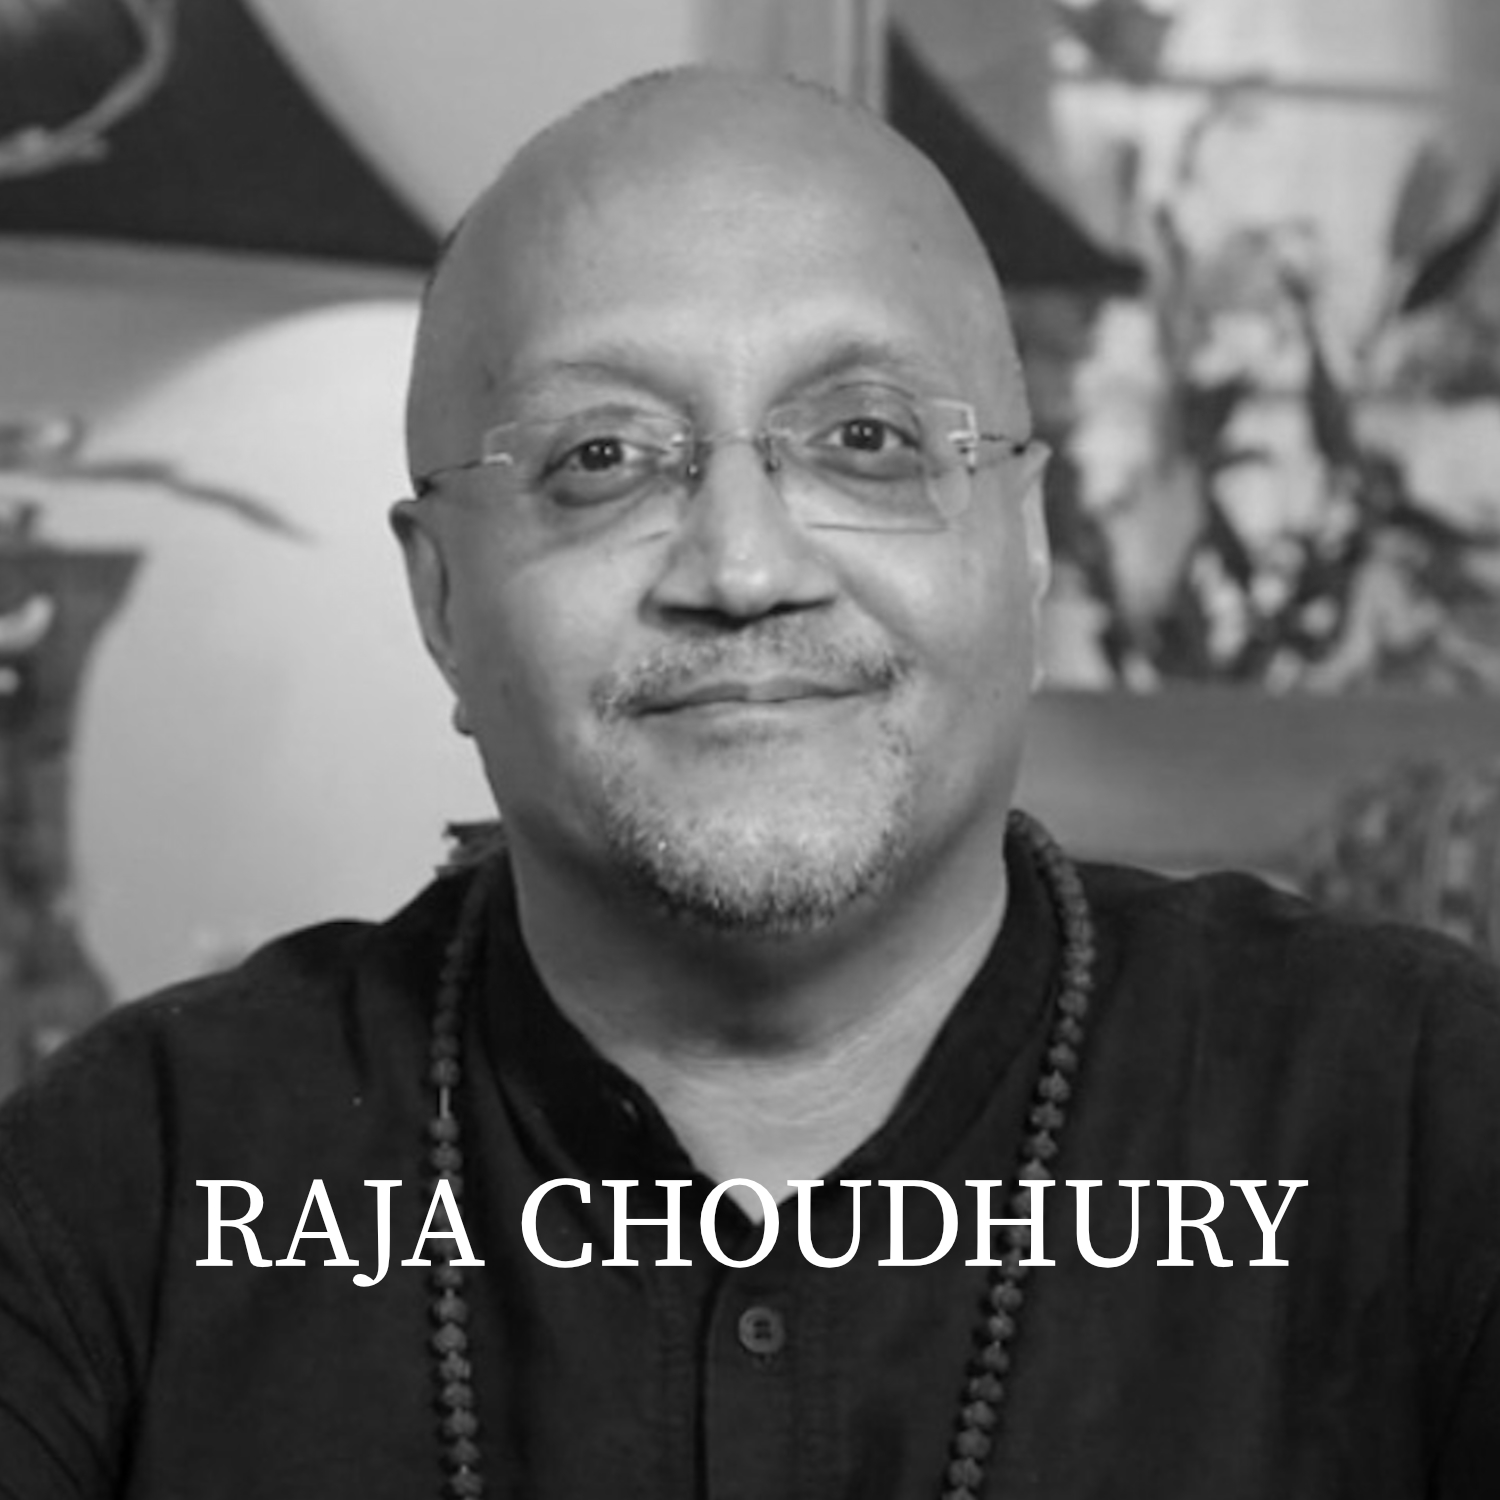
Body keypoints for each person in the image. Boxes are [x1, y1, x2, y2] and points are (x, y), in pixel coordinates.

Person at [2, 66, 1499, 1500]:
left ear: (1028, 543)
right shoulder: (129, 1189)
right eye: (601, 455)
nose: (742, 567)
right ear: (443, 600)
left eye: (866, 439)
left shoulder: (1422, 1118)